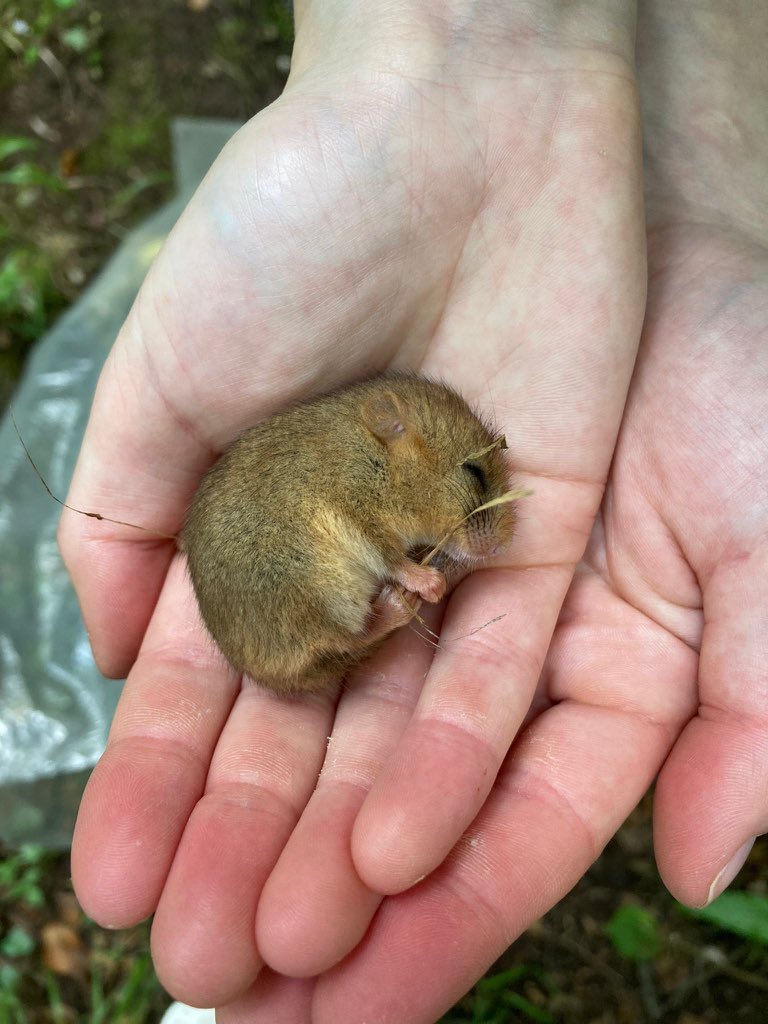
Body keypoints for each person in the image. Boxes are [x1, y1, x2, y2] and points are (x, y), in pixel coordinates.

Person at [59, 1, 767, 1020]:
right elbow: (374, 526)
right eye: (474, 483)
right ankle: (339, 636)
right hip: (282, 580)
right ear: (395, 435)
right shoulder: (356, 472)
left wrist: (706, 179)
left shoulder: (384, 463)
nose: (487, 513)